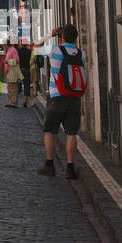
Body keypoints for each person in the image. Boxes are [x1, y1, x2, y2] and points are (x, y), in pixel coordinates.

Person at [38, 24, 86, 180]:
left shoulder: (55, 50)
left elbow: (35, 48)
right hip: (75, 97)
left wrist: (49, 35)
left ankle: (49, 164)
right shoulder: (81, 53)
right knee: (71, 133)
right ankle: (70, 168)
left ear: (61, 36)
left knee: (50, 130)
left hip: (57, 96)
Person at [4, 41, 22, 107]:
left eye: (4, 45)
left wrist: (7, 61)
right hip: (9, 72)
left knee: (13, 88)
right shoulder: (9, 50)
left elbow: (17, 60)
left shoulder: (13, 50)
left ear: (6, 45)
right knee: (9, 88)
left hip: (13, 72)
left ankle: (14, 103)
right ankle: (10, 102)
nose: (3, 47)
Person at [17, 41, 33, 108]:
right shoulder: (29, 51)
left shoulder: (19, 51)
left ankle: (15, 100)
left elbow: (17, 61)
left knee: (18, 84)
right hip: (27, 70)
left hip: (20, 69)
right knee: (27, 85)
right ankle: (25, 101)